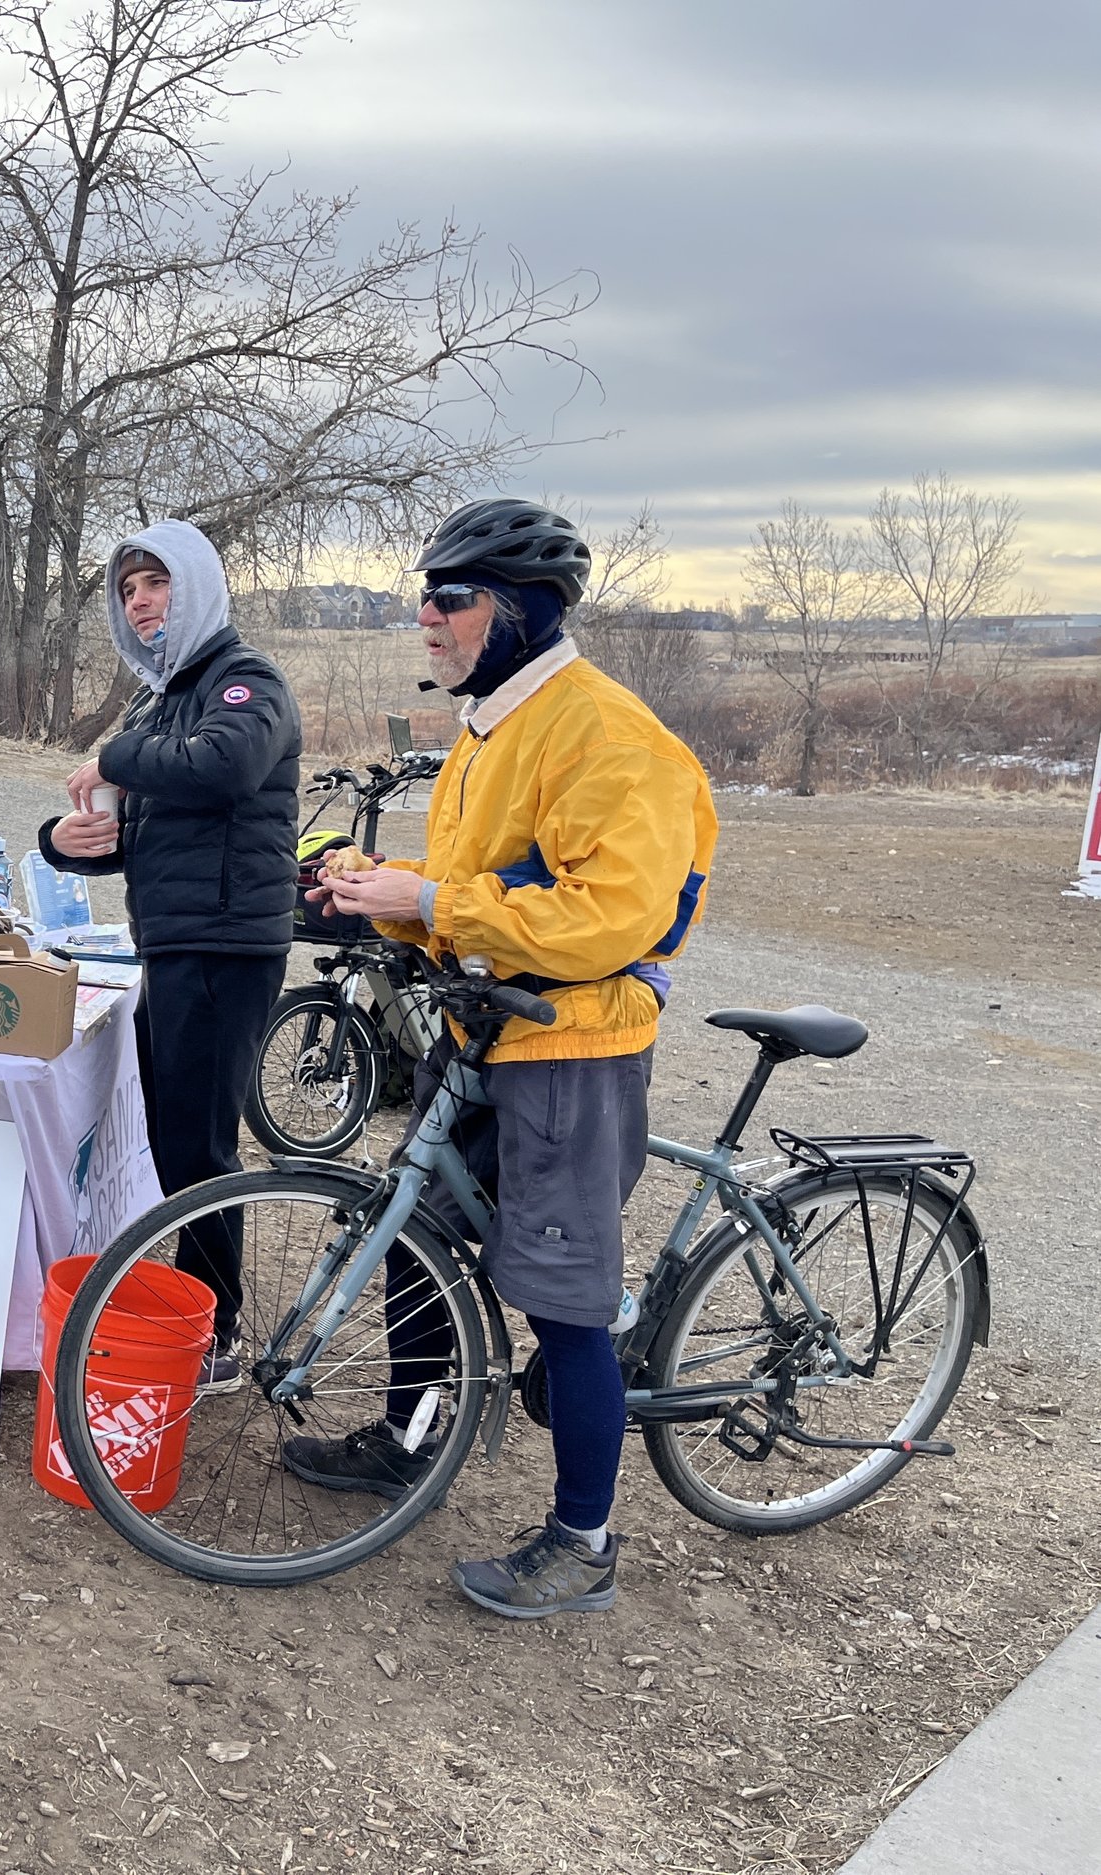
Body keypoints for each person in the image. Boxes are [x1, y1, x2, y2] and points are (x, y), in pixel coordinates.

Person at [290, 497, 718, 1619]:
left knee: (565, 1305)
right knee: (416, 1238)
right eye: (422, 598)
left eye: (450, 597)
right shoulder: (494, 725)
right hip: (483, 1026)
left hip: (569, 1046)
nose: (425, 618)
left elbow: (609, 917)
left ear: (521, 609)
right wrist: (382, 896)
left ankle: (584, 1545)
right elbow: (482, 887)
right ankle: (408, 1436)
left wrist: (432, 900)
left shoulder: (610, 737)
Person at [38, 521, 302, 1384]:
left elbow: (226, 765)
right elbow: (151, 830)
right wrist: (63, 842)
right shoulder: (159, 703)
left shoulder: (243, 680)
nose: (140, 602)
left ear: (196, 588)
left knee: (200, 1146)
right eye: (127, 590)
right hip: (176, 940)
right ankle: (190, 1302)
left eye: (156, 583)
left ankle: (216, 1333)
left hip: (226, 945)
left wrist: (113, 756)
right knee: (170, 1134)